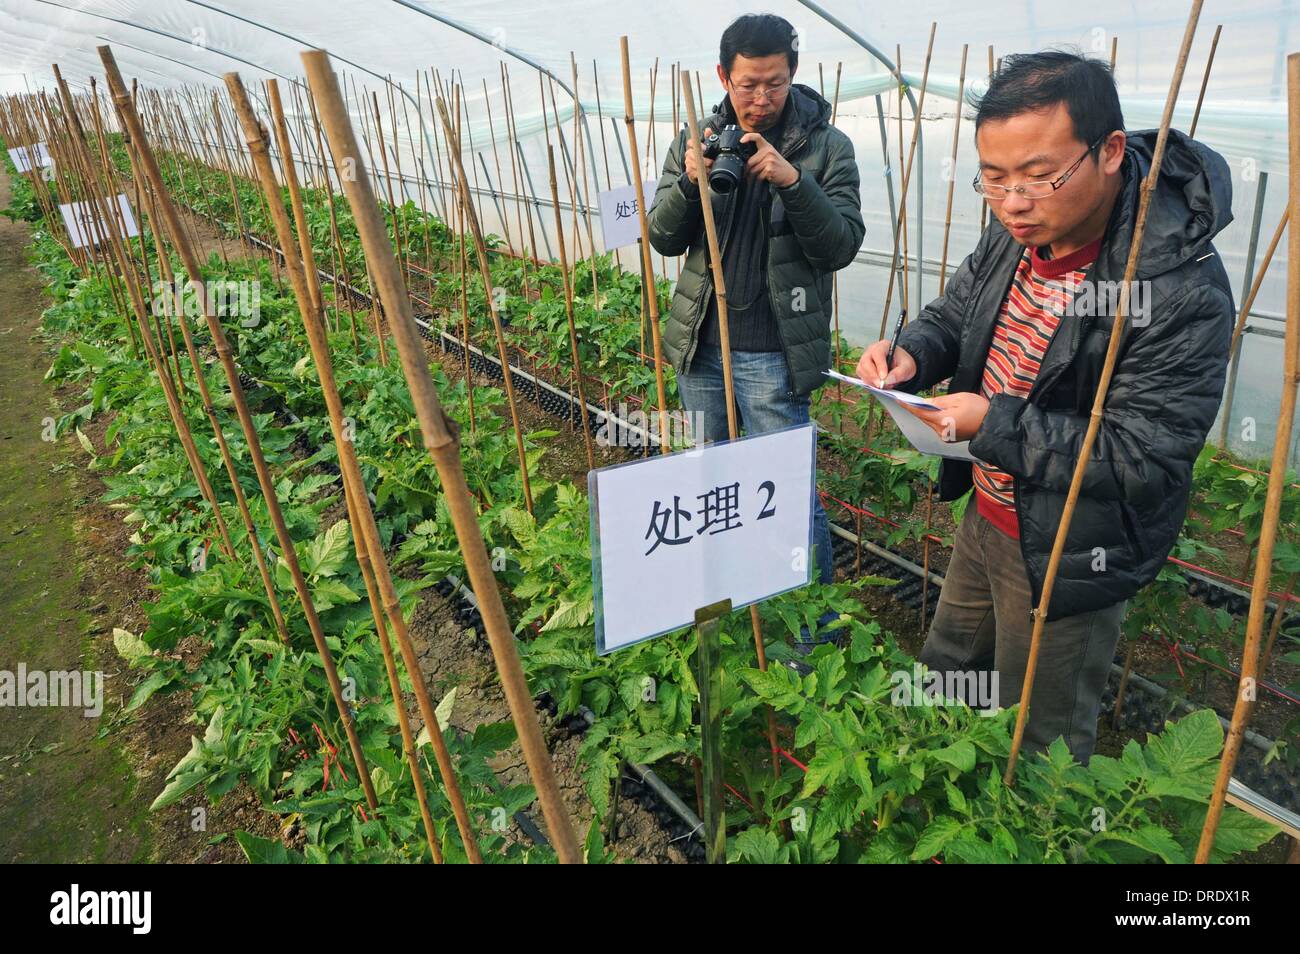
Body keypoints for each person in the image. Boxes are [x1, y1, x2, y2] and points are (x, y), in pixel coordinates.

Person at [856, 51, 1234, 762]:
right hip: (988, 512)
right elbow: (961, 308)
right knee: (948, 676)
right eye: (993, 179)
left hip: (1072, 547)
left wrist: (991, 424)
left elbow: (1142, 458)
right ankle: (936, 810)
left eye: (1038, 175)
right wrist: (912, 352)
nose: (1013, 200)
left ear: (1111, 151)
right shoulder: (1015, 229)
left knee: (1041, 738)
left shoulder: (1177, 290)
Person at [646, 13, 865, 633]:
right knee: (706, 481)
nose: (761, 98)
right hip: (703, 346)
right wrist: (691, 183)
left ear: (793, 74)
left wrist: (794, 182)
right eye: (748, 84)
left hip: (773, 351)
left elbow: (840, 246)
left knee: (786, 496)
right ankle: (717, 604)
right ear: (724, 76)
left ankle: (808, 635)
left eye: (774, 83)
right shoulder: (698, 135)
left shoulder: (827, 147)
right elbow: (663, 238)